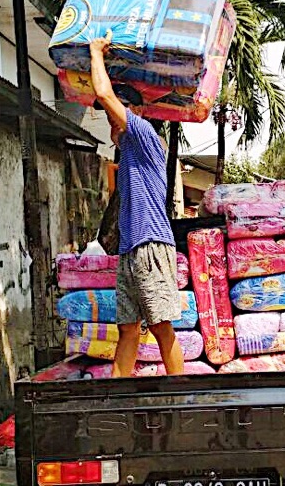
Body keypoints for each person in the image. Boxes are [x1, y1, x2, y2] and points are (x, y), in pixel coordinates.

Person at [89, 34, 184, 377]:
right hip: (131, 251)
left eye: (117, 112)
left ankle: (182, 398)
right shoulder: (127, 150)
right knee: (128, 329)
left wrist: (95, 53)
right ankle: (116, 398)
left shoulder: (143, 135)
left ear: (135, 112)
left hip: (151, 246)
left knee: (160, 327)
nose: (111, 119)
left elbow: (103, 93)